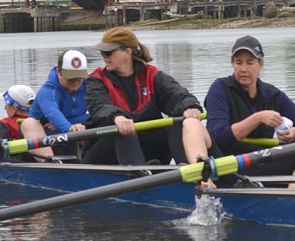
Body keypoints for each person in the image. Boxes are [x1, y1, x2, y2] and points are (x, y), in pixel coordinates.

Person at [83, 27, 211, 166]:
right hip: (105, 150)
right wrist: (117, 117)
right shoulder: (96, 80)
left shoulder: (151, 75)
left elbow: (176, 94)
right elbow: (99, 105)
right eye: (102, 52)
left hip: (146, 149)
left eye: (108, 52)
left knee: (178, 124)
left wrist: (190, 107)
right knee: (125, 132)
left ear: (127, 52)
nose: (104, 56)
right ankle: (139, 176)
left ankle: (188, 171)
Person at [203, 35, 295, 184]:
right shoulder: (220, 89)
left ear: (261, 64)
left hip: (263, 163)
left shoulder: (272, 95)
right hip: (230, 168)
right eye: (239, 63)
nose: (243, 69)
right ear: (232, 64)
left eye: (250, 63)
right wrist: (257, 119)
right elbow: (219, 137)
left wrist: (294, 133)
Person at [22, 49, 91, 159]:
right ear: (59, 72)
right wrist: (70, 127)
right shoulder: (48, 91)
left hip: (71, 140)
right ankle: (49, 166)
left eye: (79, 77)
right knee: (29, 123)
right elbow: (53, 113)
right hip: (47, 142)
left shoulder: (89, 85)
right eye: (71, 77)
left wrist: (74, 123)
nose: (76, 81)